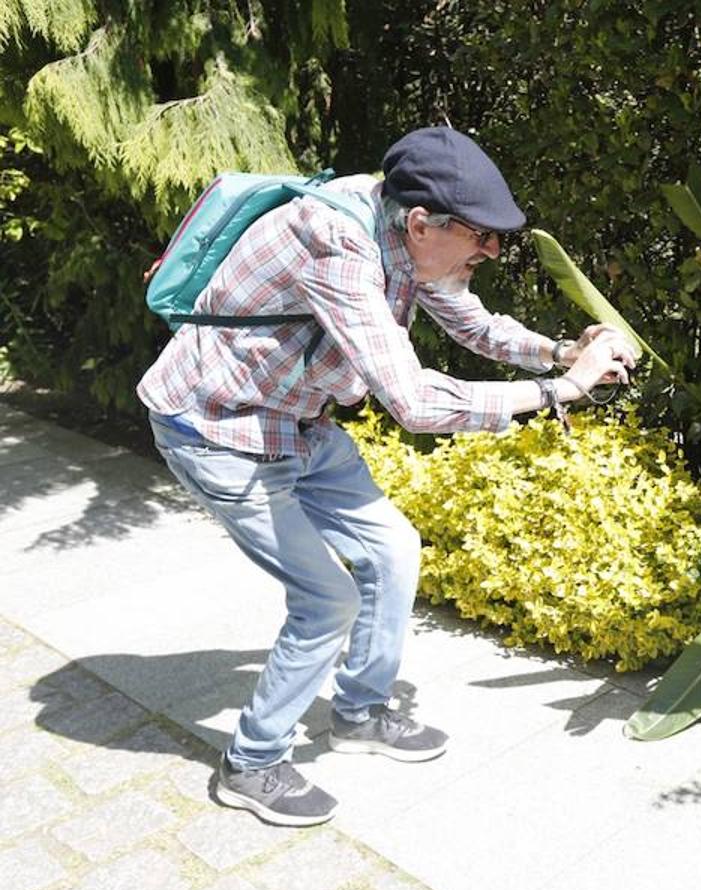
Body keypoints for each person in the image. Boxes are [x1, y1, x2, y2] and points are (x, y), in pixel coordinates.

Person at [137, 126, 637, 827]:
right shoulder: (335, 243)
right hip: (221, 432)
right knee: (326, 601)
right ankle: (249, 764)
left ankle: (361, 714)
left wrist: (561, 352)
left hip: (299, 426)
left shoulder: (400, 232)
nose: (492, 250)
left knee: (392, 550)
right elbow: (414, 402)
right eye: (483, 235)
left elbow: (476, 328)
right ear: (423, 222)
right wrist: (563, 393)